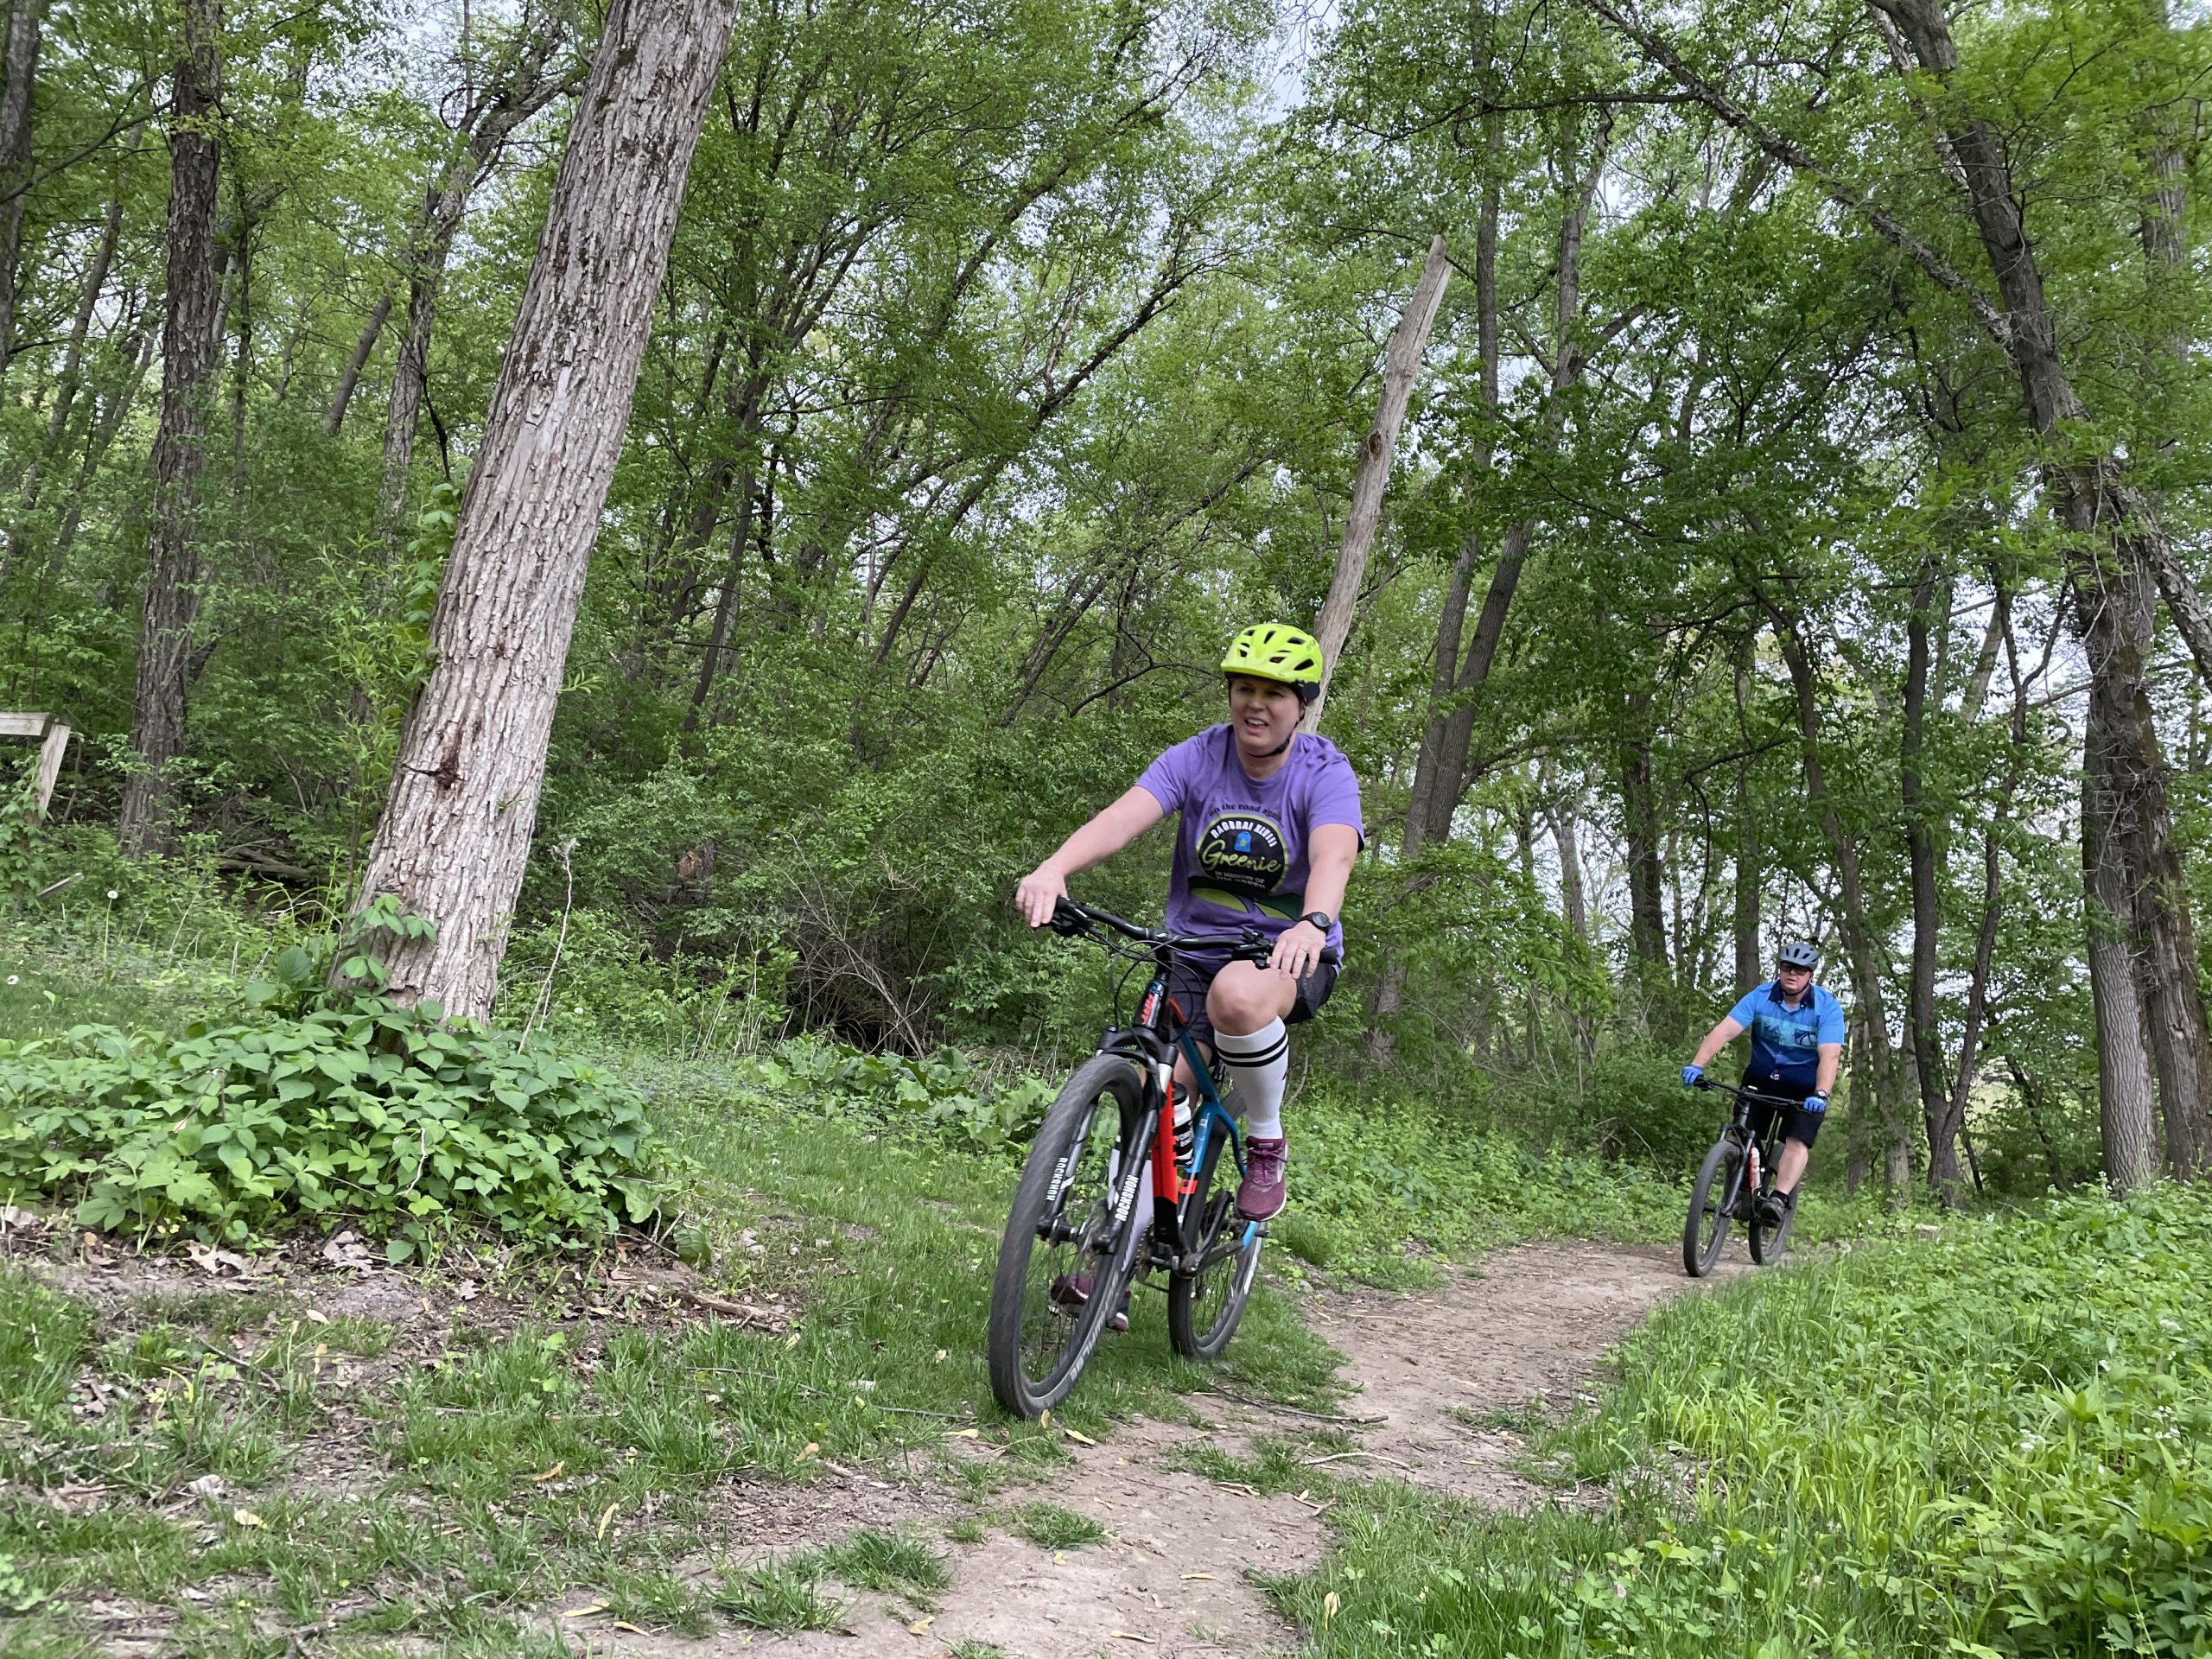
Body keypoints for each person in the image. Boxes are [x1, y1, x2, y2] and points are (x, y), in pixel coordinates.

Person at [1015, 621, 1363, 1243]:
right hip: (1192, 951)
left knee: (1237, 994)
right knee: (1153, 1086)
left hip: (1287, 955)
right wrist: (1054, 869)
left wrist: (1313, 922)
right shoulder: (1200, 756)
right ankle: (1115, 1262)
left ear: (1301, 706)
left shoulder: (1323, 771)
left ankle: (1265, 1139)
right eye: (1245, 688)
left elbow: (1334, 854)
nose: (1256, 704)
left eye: (1274, 693)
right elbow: (1124, 817)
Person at [1680, 941, 1843, 1225]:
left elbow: (1829, 1055)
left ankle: (1778, 1198)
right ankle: (1742, 1191)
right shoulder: (1761, 996)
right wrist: (1697, 1064)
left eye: (1800, 970)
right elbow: (1724, 1031)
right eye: (1787, 967)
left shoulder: (1826, 1008)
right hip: (1761, 1079)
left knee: (1797, 1140)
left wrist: (1821, 1093)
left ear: (1810, 975)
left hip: (1805, 1088)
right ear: (1780, 969)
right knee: (1740, 1134)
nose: (1792, 974)